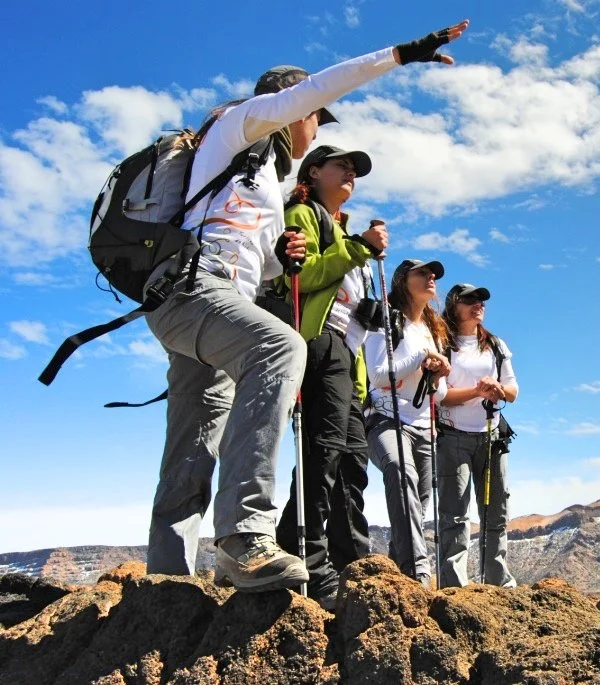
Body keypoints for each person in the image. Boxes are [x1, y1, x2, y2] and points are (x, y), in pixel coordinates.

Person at [143, 19, 470, 592]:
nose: (315, 124)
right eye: (314, 115)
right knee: (279, 345)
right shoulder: (237, 128)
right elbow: (316, 88)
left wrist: (280, 257)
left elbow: (253, 259)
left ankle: (164, 580)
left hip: (218, 304)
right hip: (194, 293)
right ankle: (245, 537)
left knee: (196, 436)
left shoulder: (261, 180)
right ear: (291, 109)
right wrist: (401, 54)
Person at [272, 145, 385, 608]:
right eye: (343, 166)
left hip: (346, 355)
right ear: (314, 171)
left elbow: (342, 297)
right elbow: (300, 276)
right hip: (318, 345)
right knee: (323, 453)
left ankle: (349, 558)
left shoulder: (337, 228)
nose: (351, 175)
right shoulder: (303, 213)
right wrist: (359, 249)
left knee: (350, 460)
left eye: (356, 171)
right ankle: (306, 556)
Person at [365, 259, 450, 585]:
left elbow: (439, 394)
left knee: (417, 504)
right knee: (401, 475)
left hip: (423, 426)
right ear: (402, 280)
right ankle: (419, 577)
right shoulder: (384, 320)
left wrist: (438, 375)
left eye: (434, 275)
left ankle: (396, 578)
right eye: (423, 273)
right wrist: (420, 358)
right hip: (387, 419)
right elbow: (377, 374)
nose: (431, 278)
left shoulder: (432, 330)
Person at [436, 284, 519, 588]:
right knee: (455, 514)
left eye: (481, 299)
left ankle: (498, 582)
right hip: (452, 436)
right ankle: (454, 586)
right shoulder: (443, 343)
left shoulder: (495, 345)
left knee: (495, 511)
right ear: (454, 305)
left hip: (491, 436)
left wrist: (498, 391)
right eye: (470, 299)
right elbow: (441, 396)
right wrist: (478, 391)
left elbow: (513, 390)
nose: (478, 304)